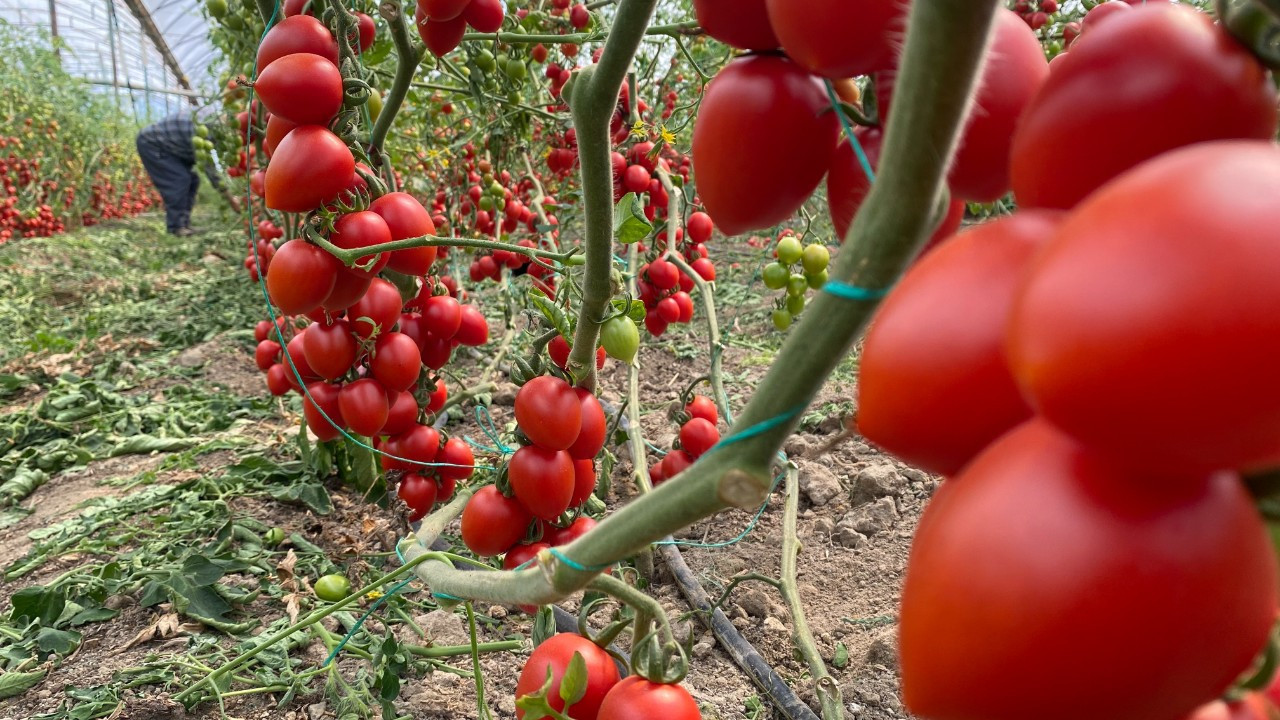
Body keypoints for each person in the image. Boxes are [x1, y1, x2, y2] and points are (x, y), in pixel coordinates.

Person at [135, 108, 237, 236]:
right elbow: (208, 166)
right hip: (152, 143)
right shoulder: (208, 129)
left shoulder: (213, 118)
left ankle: (183, 224)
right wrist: (229, 196)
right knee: (179, 180)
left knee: (193, 180)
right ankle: (176, 227)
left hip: (173, 148)